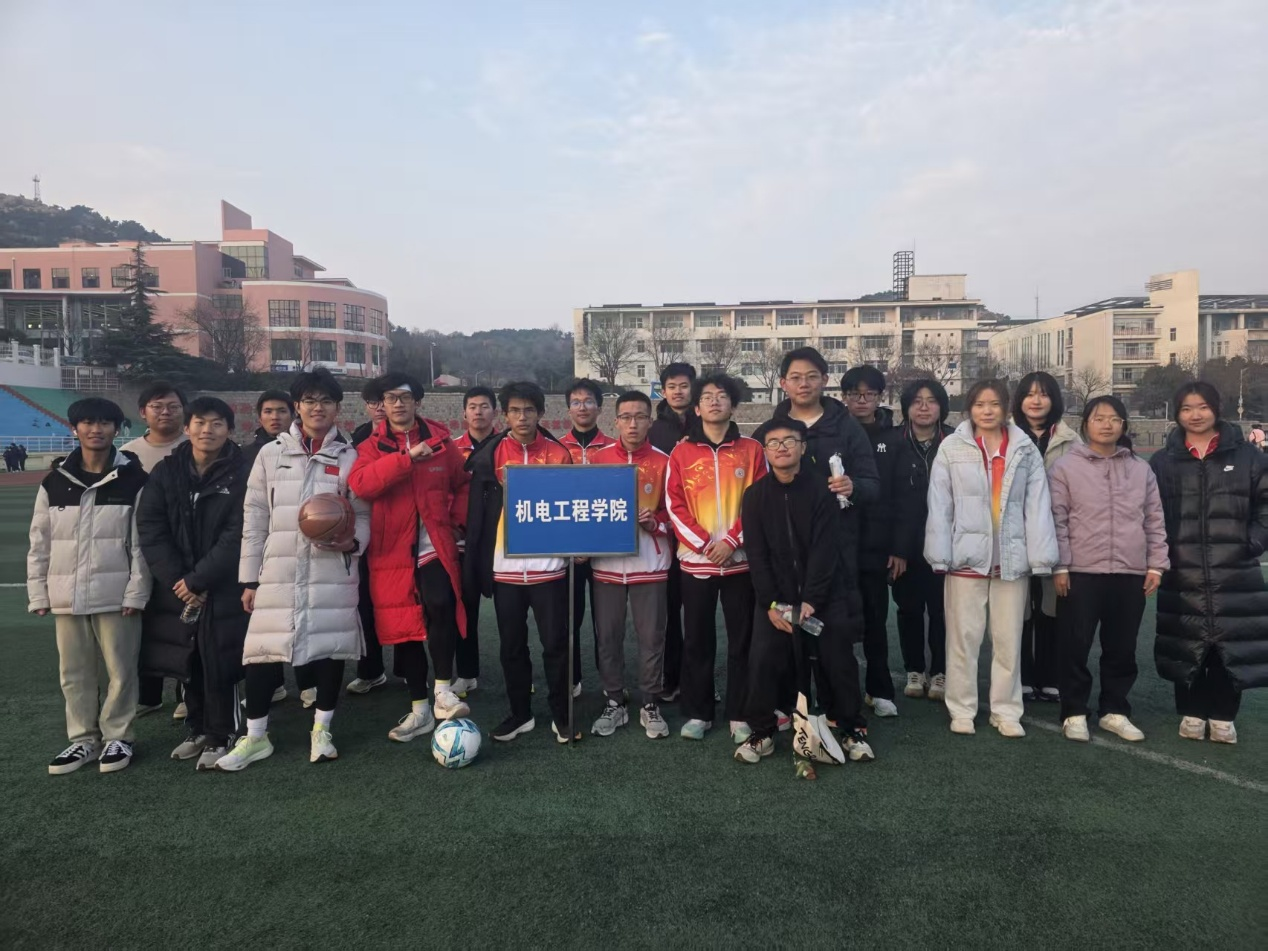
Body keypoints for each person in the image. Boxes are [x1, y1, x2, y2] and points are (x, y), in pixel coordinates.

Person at [217, 369, 370, 771]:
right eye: (310, 400)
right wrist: (250, 578)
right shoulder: (271, 454)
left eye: (326, 401)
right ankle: (256, 737)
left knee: (330, 648)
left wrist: (352, 544)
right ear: (297, 406)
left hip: (332, 567)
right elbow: (255, 517)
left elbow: (362, 514)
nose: (318, 408)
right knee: (262, 651)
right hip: (278, 570)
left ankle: (322, 730)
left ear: (337, 408)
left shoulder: (350, 457)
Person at [925, 379, 1058, 738]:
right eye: (980, 404)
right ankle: (962, 709)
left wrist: (1040, 557)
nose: (987, 411)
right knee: (962, 640)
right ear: (969, 409)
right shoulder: (951, 447)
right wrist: (940, 554)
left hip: (1011, 561)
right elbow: (940, 505)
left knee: (1008, 640)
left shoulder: (1024, 448)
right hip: (965, 560)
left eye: (994, 404)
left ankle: (1006, 710)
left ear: (1006, 408)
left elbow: (1037, 505)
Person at [737, 417, 873, 765]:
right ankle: (763, 731)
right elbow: (757, 554)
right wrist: (772, 603)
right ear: (766, 451)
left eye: (789, 441)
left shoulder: (823, 491)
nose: (781, 448)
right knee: (763, 658)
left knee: (838, 659)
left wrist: (811, 599)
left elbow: (827, 549)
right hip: (776, 599)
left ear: (803, 447)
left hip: (824, 596)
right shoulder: (754, 496)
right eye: (774, 443)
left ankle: (851, 727)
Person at [28, 397, 151, 774]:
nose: (96, 429)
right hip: (66, 594)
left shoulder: (134, 479)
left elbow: (141, 544)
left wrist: (136, 591)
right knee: (74, 673)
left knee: (121, 671)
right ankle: (82, 739)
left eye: (104, 423)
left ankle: (119, 736)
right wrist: (39, 592)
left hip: (116, 595)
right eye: (87, 422)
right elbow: (40, 542)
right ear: (75, 428)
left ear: (117, 429)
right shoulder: (54, 481)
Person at [349, 373, 472, 743]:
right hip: (391, 551)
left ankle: (442, 690)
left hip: (434, 544)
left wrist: (457, 523)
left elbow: (462, 484)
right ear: (382, 405)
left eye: (405, 397)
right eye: (391, 398)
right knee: (406, 628)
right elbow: (362, 484)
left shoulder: (441, 441)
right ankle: (420, 708)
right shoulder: (370, 446)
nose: (398, 404)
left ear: (418, 402)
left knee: (441, 604)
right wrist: (407, 459)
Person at [1149, 382, 1268, 744]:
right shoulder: (1164, 461)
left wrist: (1252, 543)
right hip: (1182, 569)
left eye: (1202, 407)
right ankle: (1191, 711)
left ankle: (1223, 715)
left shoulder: (1248, 457)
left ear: (1216, 408)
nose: (1195, 415)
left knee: (1230, 643)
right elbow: (1150, 513)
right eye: (1186, 408)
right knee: (1186, 641)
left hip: (1235, 568)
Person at [136, 397, 250, 770]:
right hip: (179, 587)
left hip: (222, 584)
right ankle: (197, 728)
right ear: (187, 428)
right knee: (187, 658)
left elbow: (239, 532)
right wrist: (179, 580)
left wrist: (200, 579)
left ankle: (222, 733)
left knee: (219, 660)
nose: (207, 430)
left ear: (229, 430)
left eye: (217, 423)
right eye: (200, 422)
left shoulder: (243, 471)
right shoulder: (167, 471)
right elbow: (151, 527)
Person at [770, 348, 880, 726]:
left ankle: (840, 713)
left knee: (834, 636)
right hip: (789, 549)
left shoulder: (846, 427)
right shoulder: (773, 427)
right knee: (789, 630)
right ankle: (791, 706)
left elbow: (872, 483)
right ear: (783, 383)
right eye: (796, 377)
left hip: (836, 548)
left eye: (812, 376)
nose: (804, 384)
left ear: (825, 380)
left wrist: (853, 487)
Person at [1048, 396, 1168, 743]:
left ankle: (1114, 710)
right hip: (1080, 571)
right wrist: (1060, 565)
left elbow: (1154, 519)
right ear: (1086, 424)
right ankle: (1073, 711)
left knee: (1122, 647)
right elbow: (1057, 520)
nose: (1106, 424)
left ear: (1123, 425)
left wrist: (1156, 565)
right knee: (1075, 644)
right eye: (1099, 418)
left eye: (1114, 419)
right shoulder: (1065, 468)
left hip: (1129, 572)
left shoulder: (1140, 470)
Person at [463, 381, 576, 743]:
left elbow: (571, 507)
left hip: (550, 570)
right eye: (514, 410)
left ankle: (562, 715)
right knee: (511, 647)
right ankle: (520, 713)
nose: (522, 417)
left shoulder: (559, 454)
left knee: (555, 644)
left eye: (529, 410)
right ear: (505, 415)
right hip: (505, 570)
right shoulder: (492, 454)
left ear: (541, 413)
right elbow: (479, 514)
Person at [666, 372, 767, 742]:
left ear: (733, 405)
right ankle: (699, 712)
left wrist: (731, 541)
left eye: (722, 395)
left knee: (743, 640)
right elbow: (673, 503)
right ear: (696, 408)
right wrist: (705, 544)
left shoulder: (752, 450)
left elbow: (760, 501)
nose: (714, 401)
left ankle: (740, 713)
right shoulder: (680, 453)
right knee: (697, 640)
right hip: (697, 563)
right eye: (706, 396)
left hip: (740, 562)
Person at [588, 391, 672, 739]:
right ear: (616, 421)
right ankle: (614, 701)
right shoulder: (597, 461)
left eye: (640, 416)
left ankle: (650, 703)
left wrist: (655, 522)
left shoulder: (665, 461)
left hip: (650, 564)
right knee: (608, 636)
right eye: (626, 417)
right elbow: (585, 508)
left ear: (650, 421)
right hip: (606, 565)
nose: (633, 423)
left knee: (651, 637)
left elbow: (676, 512)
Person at [121, 381, 189, 718]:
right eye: (157, 406)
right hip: (137, 551)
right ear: (142, 412)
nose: (165, 412)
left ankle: (187, 692)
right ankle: (148, 695)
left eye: (173, 406)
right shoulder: (127, 455)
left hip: (184, 550)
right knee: (143, 625)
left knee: (185, 625)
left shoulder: (194, 447)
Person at [1013, 370, 1080, 704]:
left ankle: (1050, 676)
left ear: (1054, 400)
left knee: (1051, 608)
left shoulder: (1071, 440)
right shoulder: (1008, 436)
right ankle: (1023, 677)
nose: (1036, 401)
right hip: (1016, 536)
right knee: (1020, 608)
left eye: (1043, 394)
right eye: (1029, 394)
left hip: (1056, 535)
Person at [841, 365, 900, 717]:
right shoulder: (834, 432)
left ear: (880, 397)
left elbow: (900, 498)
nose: (861, 400)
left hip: (875, 546)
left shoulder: (893, 438)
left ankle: (879, 690)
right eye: (854, 394)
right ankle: (838, 691)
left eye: (869, 394)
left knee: (876, 620)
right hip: (837, 545)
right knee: (837, 622)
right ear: (844, 397)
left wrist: (898, 548)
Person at [890, 379, 955, 702]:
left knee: (943, 611)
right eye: (917, 401)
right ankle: (915, 669)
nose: (924, 407)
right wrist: (897, 549)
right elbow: (888, 501)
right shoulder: (892, 442)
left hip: (948, 546)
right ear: (907, 408)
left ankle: (941, 671)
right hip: (906, 548)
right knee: (909, 609)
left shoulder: (957, 442)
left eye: (932, 401)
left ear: (942, 406)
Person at [242, 390, 306, 706]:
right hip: (267, 551)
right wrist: (249, 575)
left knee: (306, 618)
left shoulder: (313, 449)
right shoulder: (251, 454)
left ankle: (309, 685)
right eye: (268, 411)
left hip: (304, 548)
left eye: (281, 410)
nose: (274, 416)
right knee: (268, 627)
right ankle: (273, 686)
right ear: (259, 416)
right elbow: (252, 511)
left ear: (293, 413)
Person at [559, 378, 617, 695]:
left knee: (606, 623)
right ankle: (572, 678)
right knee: (570, 619)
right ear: (568, 409)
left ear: (599, 407)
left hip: (605, 549)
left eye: (589, 401)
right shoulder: (556, 449)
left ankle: (610, 682)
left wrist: (597, 542)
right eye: (576, 402)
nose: (582, 407)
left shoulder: (614, 449)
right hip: (569, 551)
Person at [648, 361, 697, 705]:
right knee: (667, 612)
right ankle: (671, 677)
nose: (678, 391)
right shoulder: (654, 431)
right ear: (663, 391)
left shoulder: (707, 424)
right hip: (665, 533)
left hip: (701, 534)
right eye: (672, 386)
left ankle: (697, 680)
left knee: (697, 613)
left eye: (684, 385)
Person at [451, 385, 499, 697]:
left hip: (501, 541)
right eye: (472, 406)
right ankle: (467, 674)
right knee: (464, 608)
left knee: (512, 611)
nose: (478, 411)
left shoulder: (507, 446)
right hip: (464, 542)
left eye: (484, 406)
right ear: (464, 413)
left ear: (495, 412)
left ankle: (520, 674)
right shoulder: (452, 449)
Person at [345, 377, 391, 696]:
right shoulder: (356, 440)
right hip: (365, 530)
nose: (379, 408)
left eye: (384, 400)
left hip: (401, 530)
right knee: (364, 604)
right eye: (373, 402)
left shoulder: (413, 437)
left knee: (406, 601)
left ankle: (408, 668)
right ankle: (371, 670)